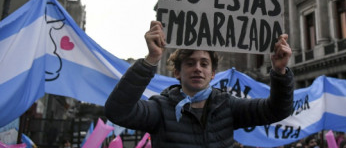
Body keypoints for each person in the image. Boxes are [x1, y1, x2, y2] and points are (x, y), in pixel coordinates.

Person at [105, 20, 294, 147]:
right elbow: (117, 112)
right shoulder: (160, 109)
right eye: (190, 63)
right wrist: (151, 59)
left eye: (204, 64)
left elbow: (277, 110)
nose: (197, 68)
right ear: (177, 72)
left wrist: (279, 72)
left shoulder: (228, 105)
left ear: (212, 74)